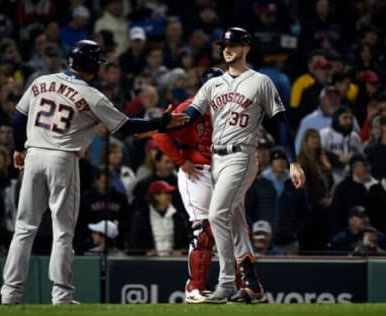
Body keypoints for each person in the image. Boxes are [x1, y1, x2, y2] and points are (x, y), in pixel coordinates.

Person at [0, 40, 188, 305]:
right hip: (61, 159)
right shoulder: (91, 95)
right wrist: (162, 122)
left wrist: (19, 148)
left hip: (33, 156)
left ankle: (10, 293)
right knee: (63, 231)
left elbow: (19, 118)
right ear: (93, 67)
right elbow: (127, 127)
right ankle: (62, 295)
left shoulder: (41, 81)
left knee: (24, 227)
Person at [176, 27, 305, 304]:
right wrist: (154, 123)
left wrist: (293, 162)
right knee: (235, 223)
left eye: (233, 44)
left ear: (246, 47)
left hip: (242, 155)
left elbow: (281, 123)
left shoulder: (260, 82)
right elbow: (187, 116)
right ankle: (252, 284)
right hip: (216, 159)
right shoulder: (213, 84)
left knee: (216, 214)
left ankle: (224, 284)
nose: (227, 48)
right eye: (224, 44)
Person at [153, 67, 224, 303]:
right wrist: (180, 161)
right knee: (203, 231)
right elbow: (160, 133)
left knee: (228, 233)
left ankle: (234, 287)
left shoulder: (230, 109)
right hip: (197, 173)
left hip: (223, 173)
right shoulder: (190, 107)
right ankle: (194, 288)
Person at [128, 180, 189, 257]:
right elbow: (133, 243)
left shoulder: (178, 217)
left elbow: (187, 241)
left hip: (174, 261)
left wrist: (182, 252)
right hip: (149, 263)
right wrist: (144, 253)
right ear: (155, 196)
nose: (169, 196)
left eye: (169, 193)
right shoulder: (141, 217)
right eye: (166, 193)